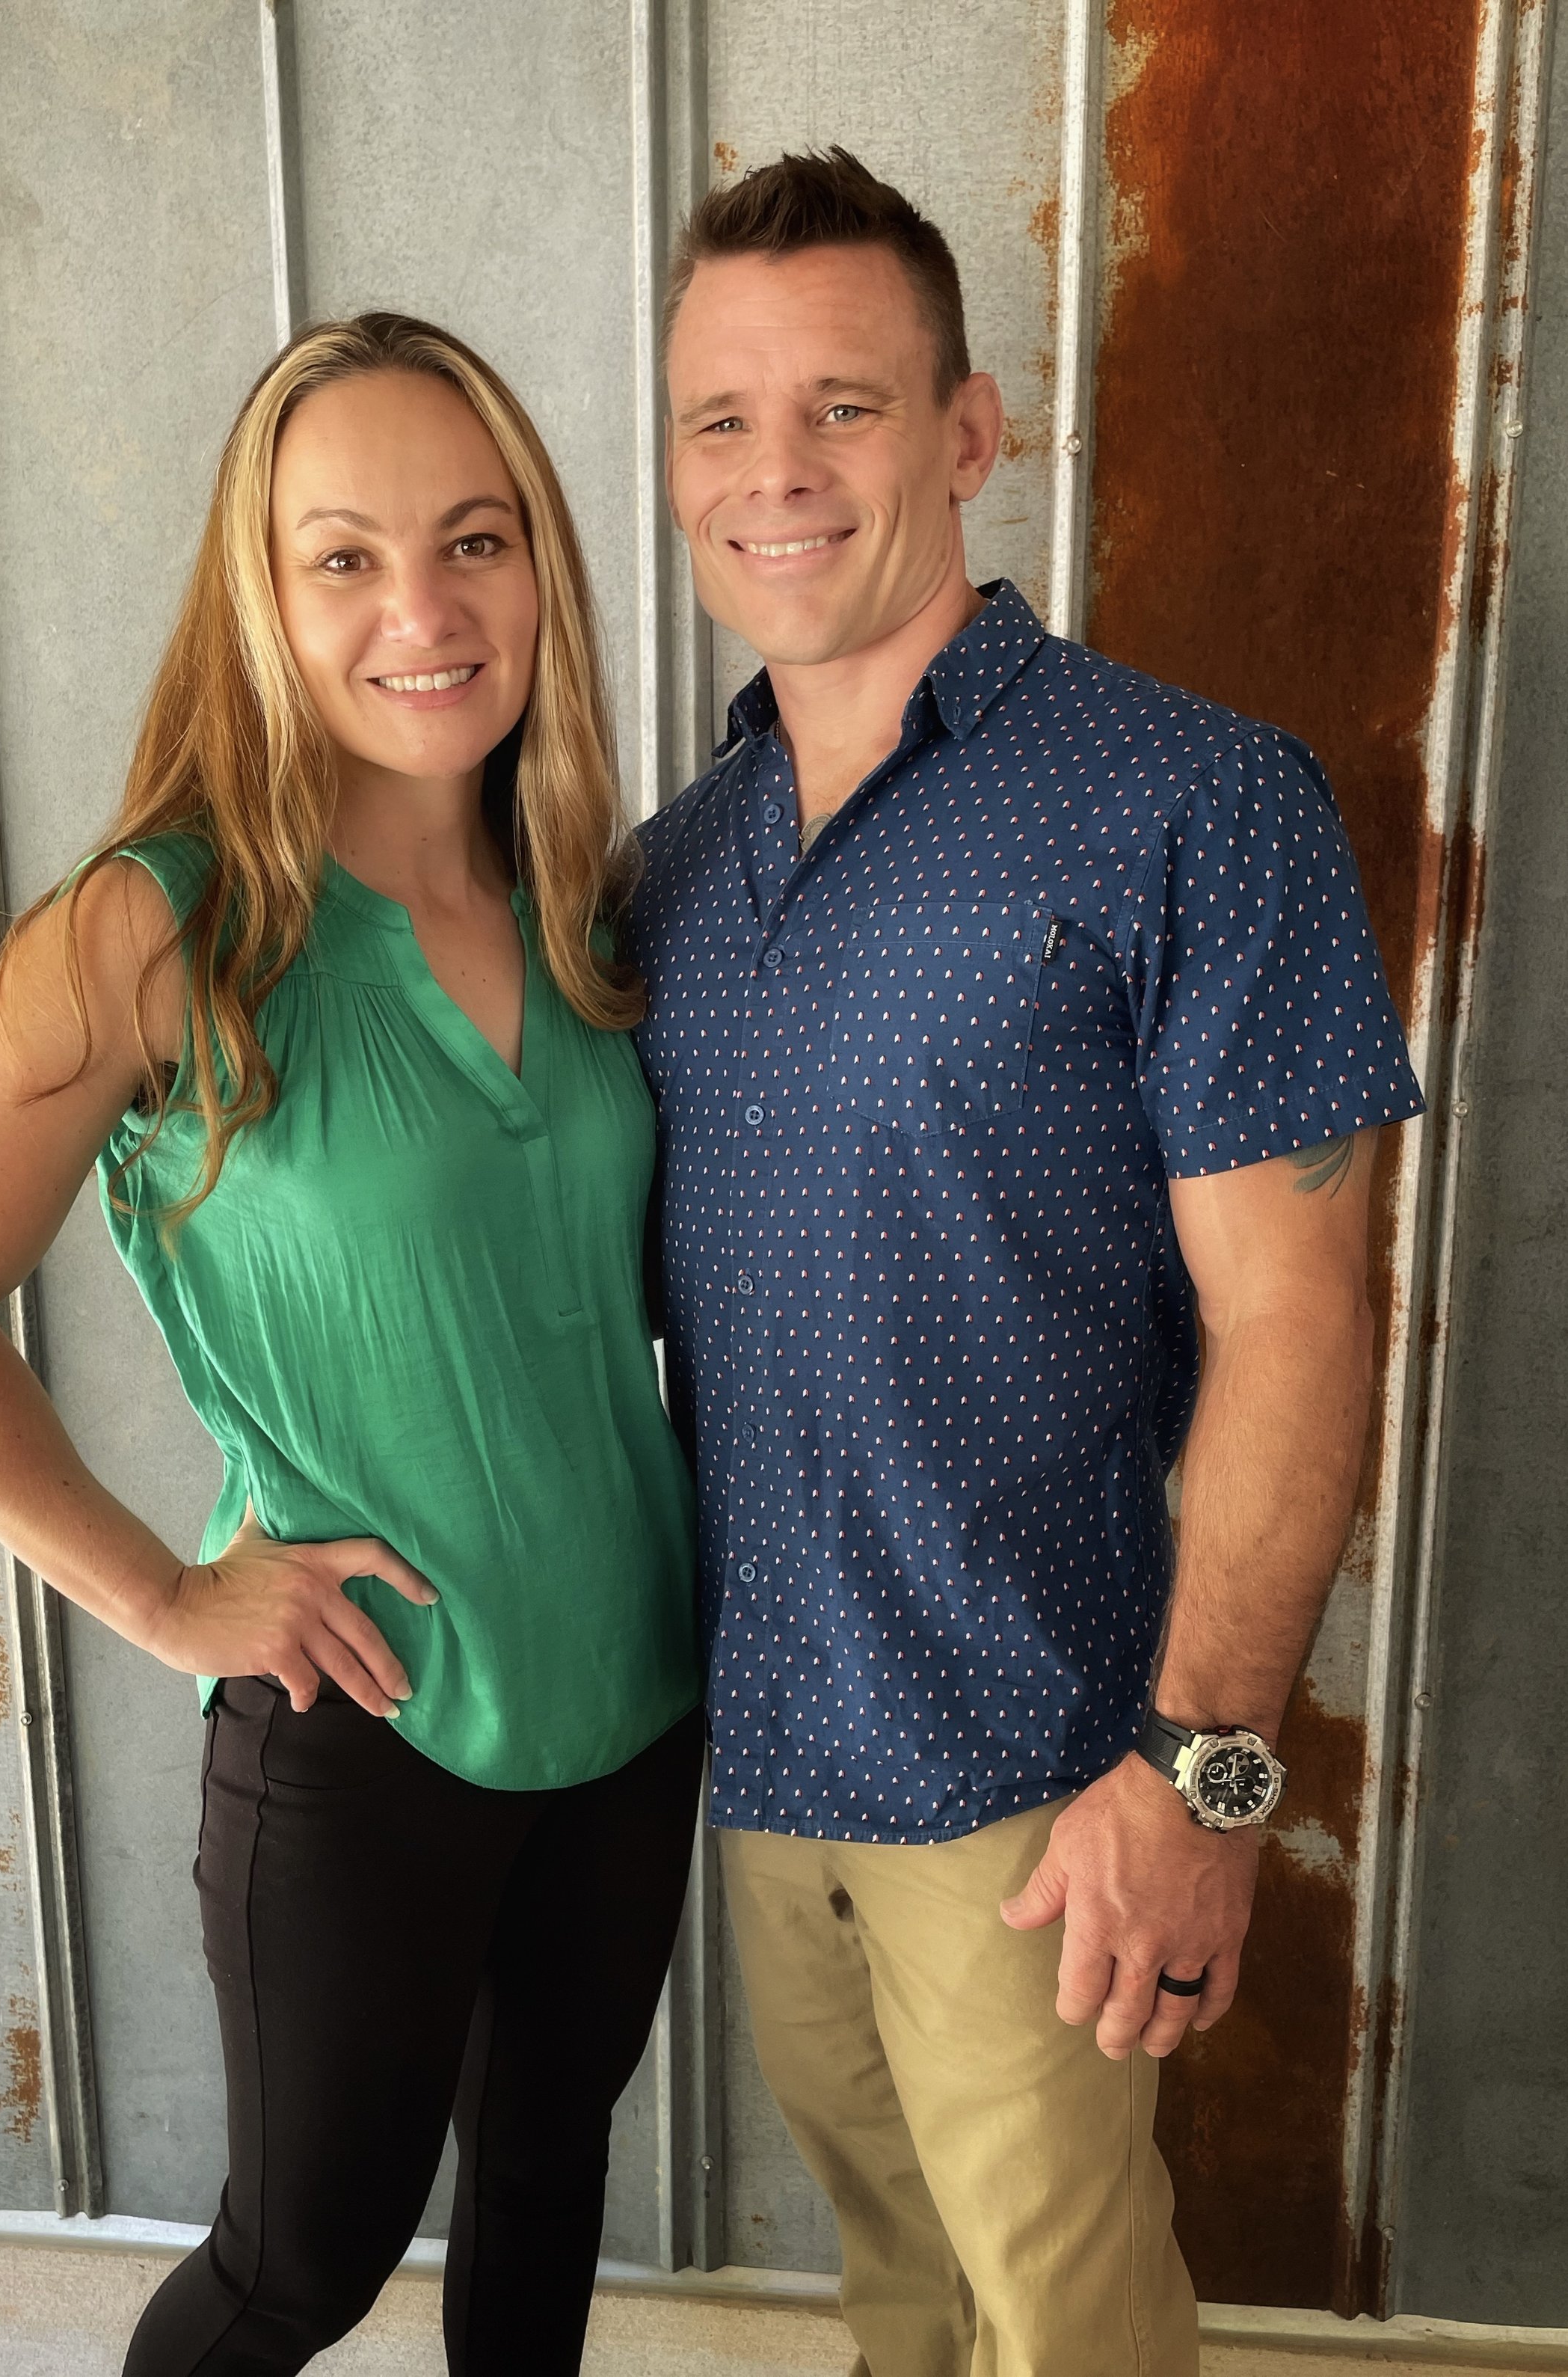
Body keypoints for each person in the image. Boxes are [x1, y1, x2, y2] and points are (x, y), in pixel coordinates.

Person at [0, 312, 704, 2377]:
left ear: (541, 567)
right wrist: (160, 1592)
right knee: (297, 2267)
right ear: (266, 596)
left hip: (635, 1687)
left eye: (474, 539)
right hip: (365, 1710)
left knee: (545, 2181)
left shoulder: (591, 903)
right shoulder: (157, 928)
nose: (424, 610)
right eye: (346, 558)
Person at [626, 150, 1424, 2377]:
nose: (776, 471)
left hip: (1046, 1777)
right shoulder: (662, 873)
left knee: (1069, 2330)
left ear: (969, 432)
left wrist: (1204, 1779)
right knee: (901, 2301)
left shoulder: (1192, 801)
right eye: (719, 419)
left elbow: (1299, 1321)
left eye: (844, 406)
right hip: (763, 1762)